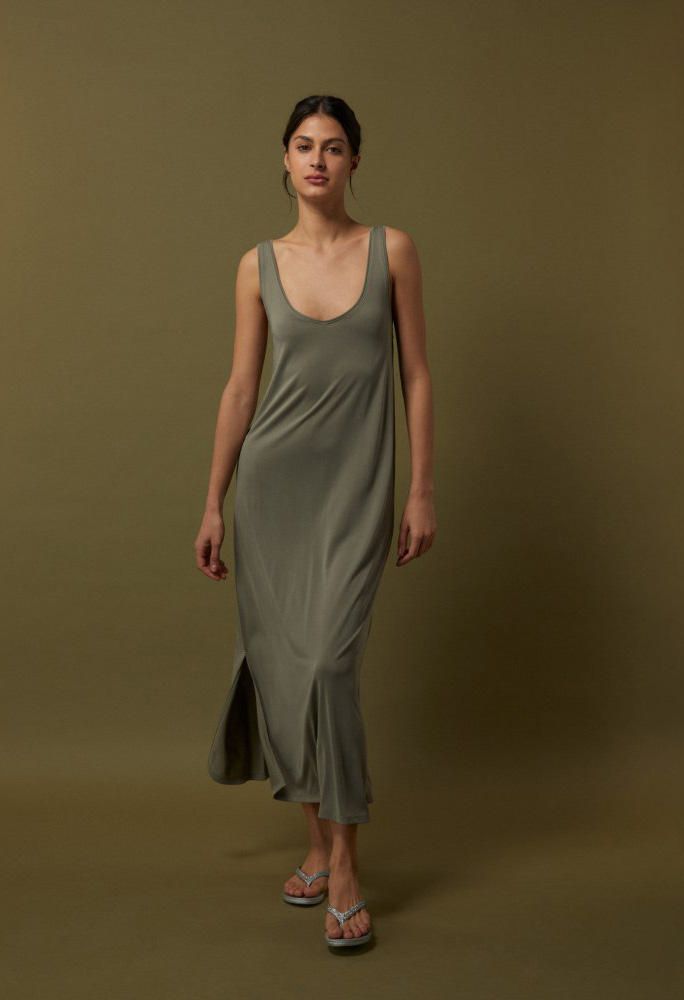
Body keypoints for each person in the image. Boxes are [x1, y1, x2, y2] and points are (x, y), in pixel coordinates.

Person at [195, 94, 436, 949]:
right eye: (304, 146)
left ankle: (346, 868)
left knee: (330, 666)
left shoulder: (392, 250)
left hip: (358, 489)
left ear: (354, 161)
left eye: (334, 147)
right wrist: (213, 500)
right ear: (285, 159)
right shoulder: (257, 265)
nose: (318, 160)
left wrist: (421, 489)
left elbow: (416, 375)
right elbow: (240, 389)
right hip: (273, 492)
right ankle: (318, 846)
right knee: (289, 675)